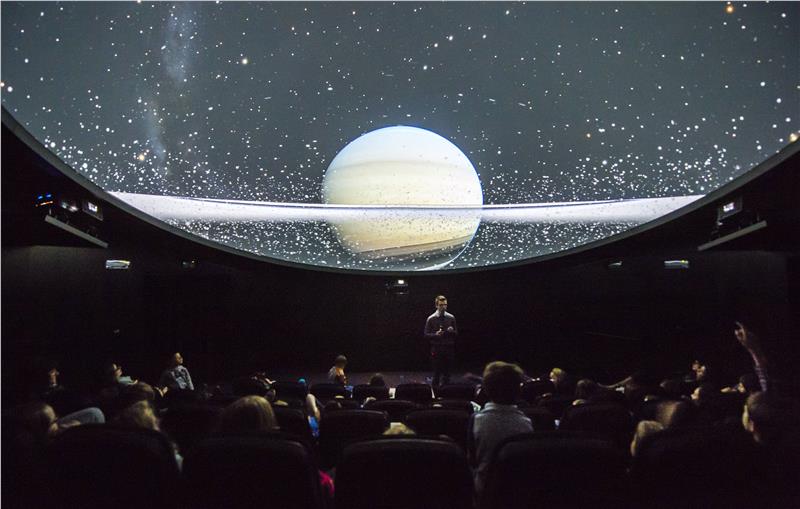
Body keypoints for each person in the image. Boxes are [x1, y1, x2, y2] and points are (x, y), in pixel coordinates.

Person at [468, 361, 533, 493]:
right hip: (516, 490)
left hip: (483, 490)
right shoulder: (526, 423)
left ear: (486, 390)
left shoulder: (477, 420)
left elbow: (472, 460)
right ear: (518, 391)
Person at [424, 295, 458, 387]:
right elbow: (426, 335)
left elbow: (456, 333)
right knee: (436, 373)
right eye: (441, 305)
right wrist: (436, 335)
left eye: (445, 305)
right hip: (437, 348)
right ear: (436, 306)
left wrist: (451, 331)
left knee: (447, 374)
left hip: (448, 348)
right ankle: (435, 393)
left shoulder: (451, 317)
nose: (443, 307)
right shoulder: (431, 318)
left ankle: (446, 393)